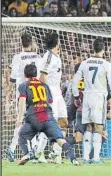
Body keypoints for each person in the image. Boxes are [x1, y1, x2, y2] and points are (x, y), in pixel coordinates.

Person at [72, 38, 111, 164]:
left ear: (93, 48)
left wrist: (76, 95)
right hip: (99, 97)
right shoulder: (106, 64)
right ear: (103, 49)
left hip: (86, 97)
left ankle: (85, 158)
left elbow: (75, 80)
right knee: (98, 127)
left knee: (88, 127)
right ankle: (95, 158)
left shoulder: (85, 63)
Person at [16, 64, 78, 166]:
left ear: (25, 74)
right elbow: (50, 101)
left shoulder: (23, 85)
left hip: (33, 118)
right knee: (60, 139)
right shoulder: (45, 85)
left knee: (22, 136)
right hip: (48, 117)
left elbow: (22, 101)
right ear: (36, 73)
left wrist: (20, 117)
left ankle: (27, 154)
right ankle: (73, 158)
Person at [6, 33, 43, 162]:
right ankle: (30, 151)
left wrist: (8, 90)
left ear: (21, 43)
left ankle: (12, 148)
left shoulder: (17, 57)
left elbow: (12, 77)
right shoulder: (38, 57)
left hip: (21, 93)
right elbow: (42, 75)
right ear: (31, 42)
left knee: (21, 120)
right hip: (35, 92)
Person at [38, 32, 68, 164]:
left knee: (64, 122)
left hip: (58, 93)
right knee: (50, 124)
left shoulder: (56, 56)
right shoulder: (48, 56)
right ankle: (38, 153)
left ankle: (56, 154)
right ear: (56, 43)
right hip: (50, 93)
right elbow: (42, 76)